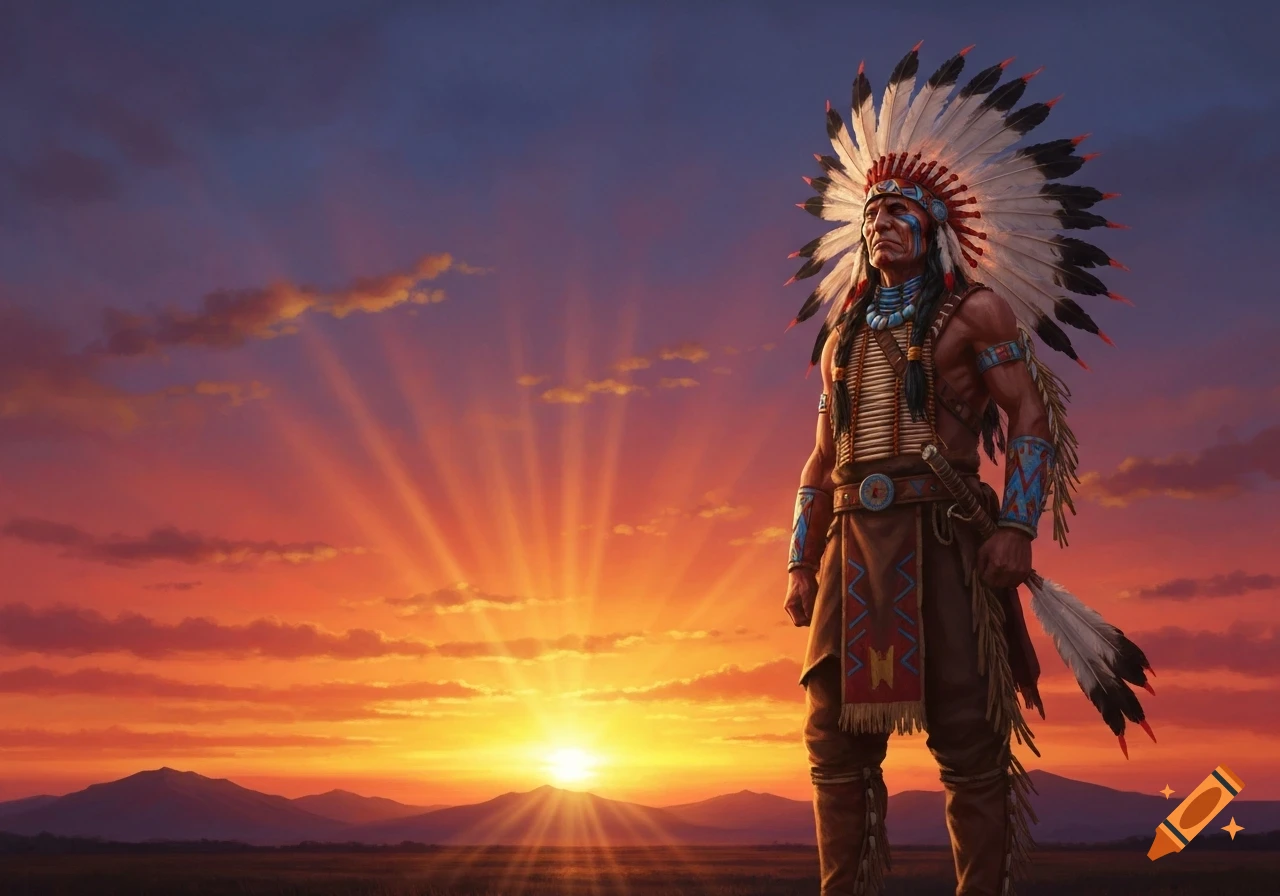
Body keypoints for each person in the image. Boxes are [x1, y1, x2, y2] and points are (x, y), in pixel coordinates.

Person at [780, 44, 1123, 896]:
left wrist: (1015, 525)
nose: (880, 224)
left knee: (968, 734)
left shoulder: (976, 312)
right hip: (854, 553)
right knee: (831, 737)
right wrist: (797, 557)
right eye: (872, 213)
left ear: (934, 227)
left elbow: (1031, 415)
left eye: (899, 212)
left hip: (942, 537)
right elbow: (822, 458)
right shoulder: (846, 339)